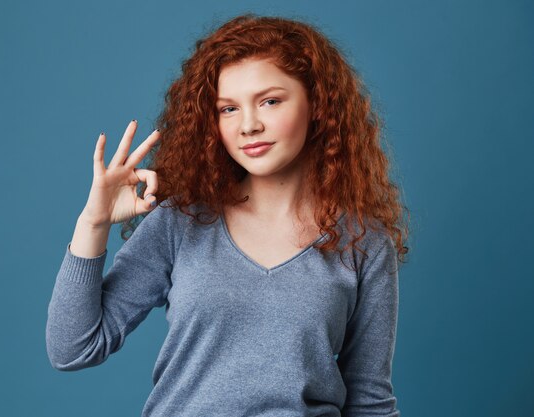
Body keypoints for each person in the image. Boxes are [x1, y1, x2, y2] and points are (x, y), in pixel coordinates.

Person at [46, 13, 410, 417]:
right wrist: (92, 222)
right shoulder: (179, 223)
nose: (249, 125)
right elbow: (74, 348)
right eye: (228, 109)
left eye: (270, 101)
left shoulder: (365, 242)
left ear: (318, 106)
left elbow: (370, 402)